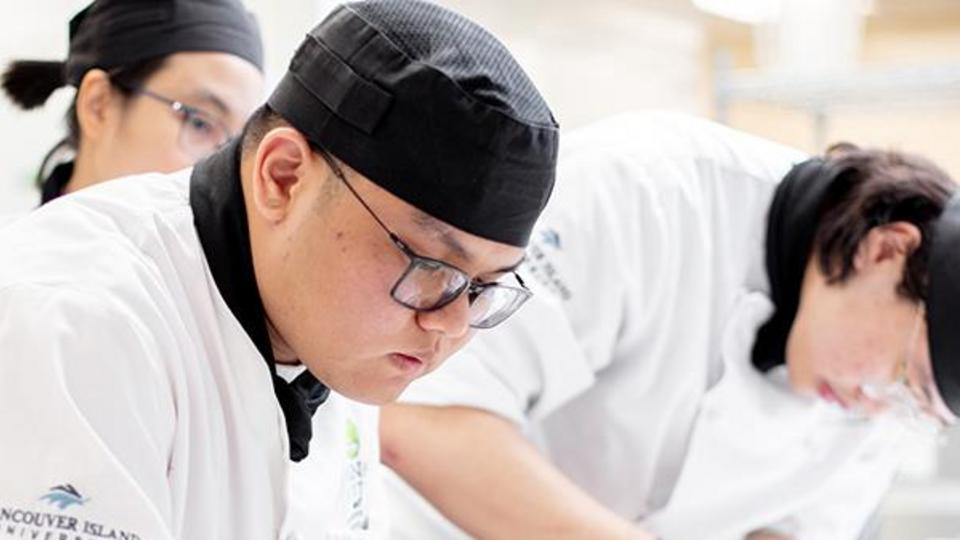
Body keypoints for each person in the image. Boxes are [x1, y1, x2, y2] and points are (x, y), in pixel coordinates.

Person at [0, 2, 558, 539]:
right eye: (431, 265)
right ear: (284, 177)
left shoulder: (338, 337)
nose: (452, 325)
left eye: (482, 288)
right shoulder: (78, 322)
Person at [380, 112, 960, 540]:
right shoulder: (648, 193)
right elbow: (420, 418)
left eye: (917, 406)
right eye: (905, 373)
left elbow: (793, 529)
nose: (875, 406)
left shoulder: (881, 398)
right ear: (885, 251)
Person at [1, 0, 265, 205]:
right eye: (199, 123)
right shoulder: (17, 264)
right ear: (98, 105)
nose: (226, 175)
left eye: (239, 146)